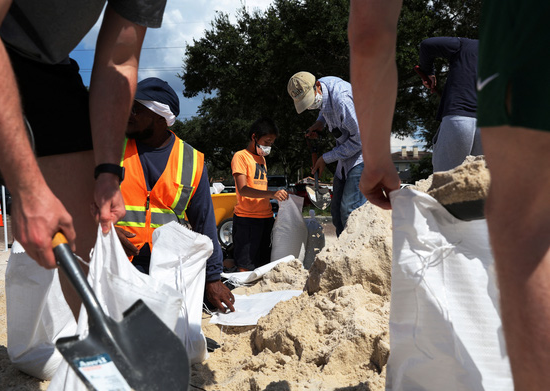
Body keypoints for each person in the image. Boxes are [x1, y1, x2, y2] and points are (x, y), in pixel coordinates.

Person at [349, 0, 550, 388]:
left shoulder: (462, 44)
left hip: (459, 118)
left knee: (442, 208)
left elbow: (377, 33)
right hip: (502, 112)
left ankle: (451, 284)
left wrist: (425, 73)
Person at [0, 1, 166, 317]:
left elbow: (120, 59)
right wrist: (28, 190)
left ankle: (104, 350)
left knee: (87, 235)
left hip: (45, 59)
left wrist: (109, 172)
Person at [115, 77, 235, 313]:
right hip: (117, 262)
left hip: (168, 268)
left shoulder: (191, 161)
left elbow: (204, 222)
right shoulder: (110, 148)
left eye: (135, 109)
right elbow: (81, 200)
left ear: (160, 118)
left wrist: (212, 278)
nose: (127, 113)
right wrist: (105, 231)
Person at [287, 72, 366, 236]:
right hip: (346, 155)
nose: (310, 106)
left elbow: (360, 141)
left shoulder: (344, 100)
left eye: (309, 101)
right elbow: (325, 108)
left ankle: (356, 257)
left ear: (317, 86)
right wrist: (319, 123)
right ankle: (341, 257)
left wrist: (325, 158)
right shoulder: (324, 88)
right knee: (337, 214)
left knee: (350, 211)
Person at [231, 117, 288, 272]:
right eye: (267, 141)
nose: (269, 146)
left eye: (271, 143)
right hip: (247, 219)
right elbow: (243, 189)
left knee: (264, 264)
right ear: (254, 137)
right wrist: (272, 194)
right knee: (245, 266)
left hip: (266, 218)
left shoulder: (262, 159)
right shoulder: (240, 156)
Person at [417, 37, 482, 172]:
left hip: (458, 118)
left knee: (444, 186)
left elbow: (427, 45)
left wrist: (428, 72)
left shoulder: (465, 45)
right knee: (479, 189)